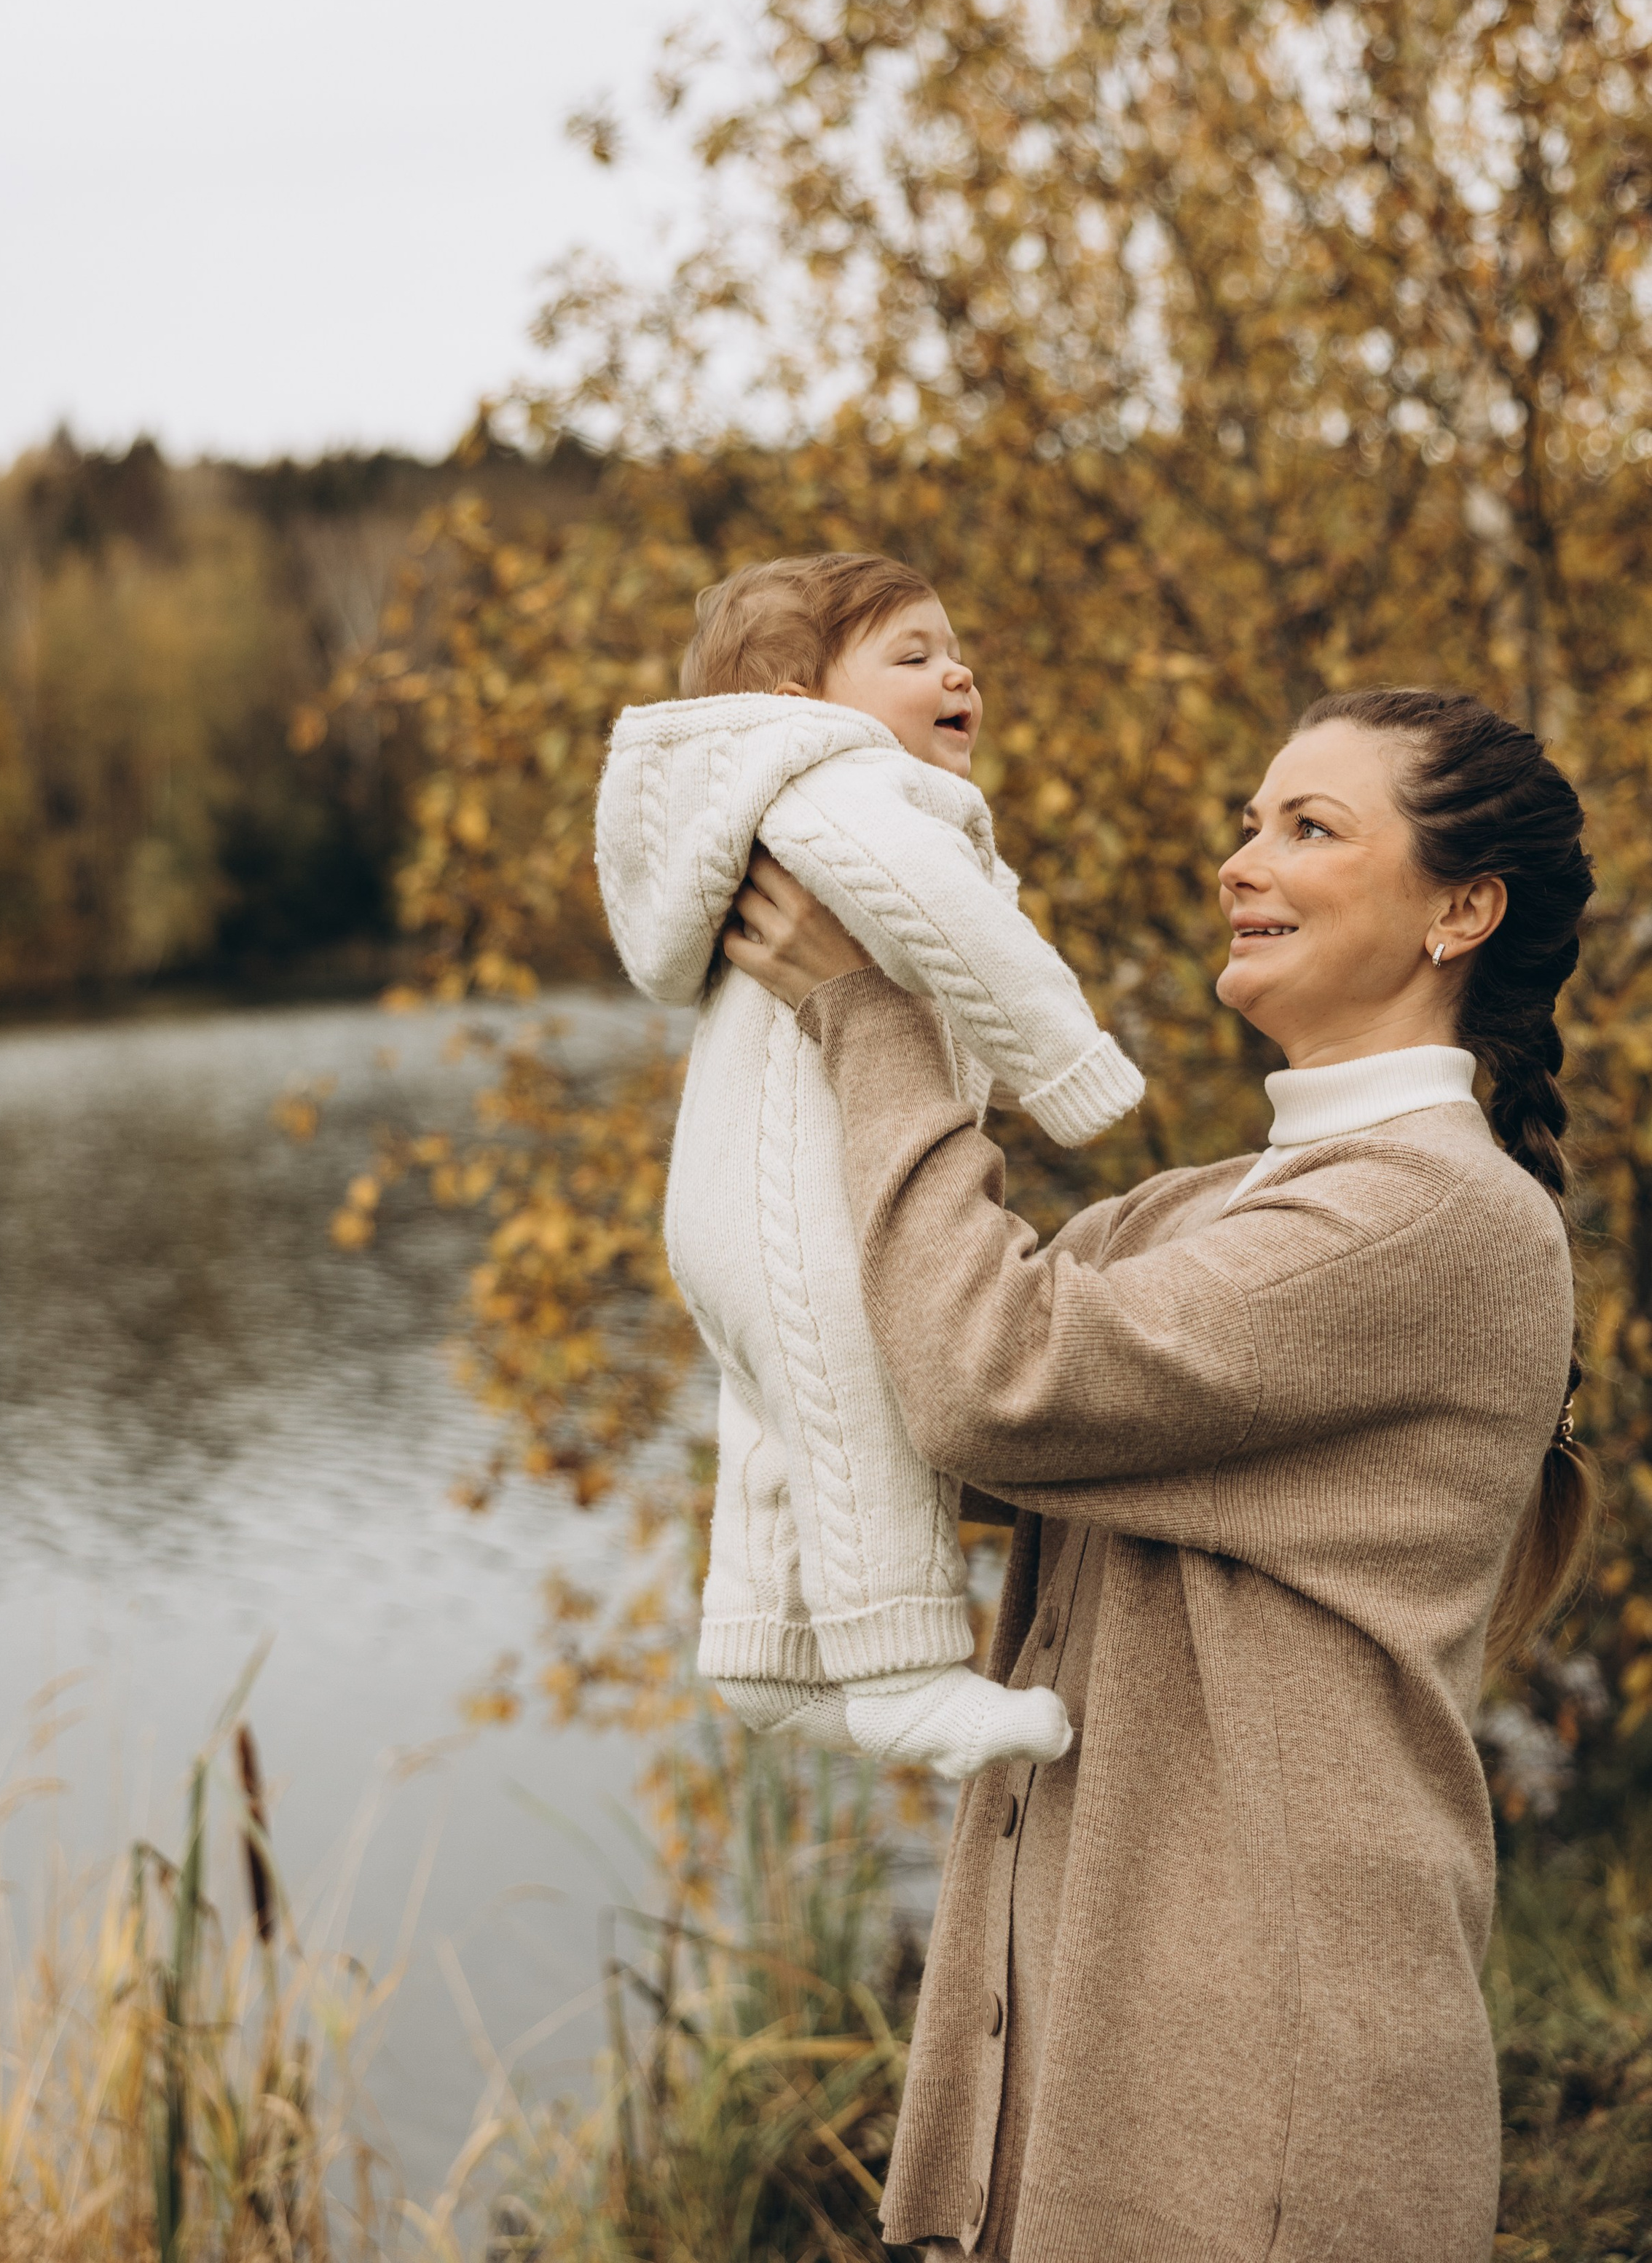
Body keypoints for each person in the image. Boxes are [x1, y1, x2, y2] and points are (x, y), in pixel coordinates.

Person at [722, 686, 1595, 2263]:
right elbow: (893, 1389)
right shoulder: (1199, 1216)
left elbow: (991, 1382)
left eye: (1308, 828)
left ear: (1460, 910)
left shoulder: (1427, 1219)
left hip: (1265, 2082)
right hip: (1131, 2030)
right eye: (1246, 822)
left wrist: (876, 1016)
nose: (1240, 861)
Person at [594, 553, 1144, 1780]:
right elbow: (951, 919)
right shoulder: (839, 779)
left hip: (724, 1207)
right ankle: (902, 1673)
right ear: (801, 694)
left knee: (783, 1424)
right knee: (863, 1407)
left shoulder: (771, 803)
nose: (959, 672)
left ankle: (761, 1651)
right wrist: (1069, 1066)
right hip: (801, 1206)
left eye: (958, 652)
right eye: (912, 654)